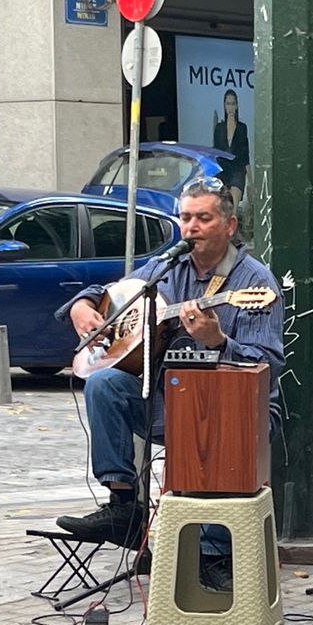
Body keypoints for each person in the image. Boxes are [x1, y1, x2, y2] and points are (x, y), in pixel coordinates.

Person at [55, 177, 284, 591]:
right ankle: (124, 504)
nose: (191, 227)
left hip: (240, 410)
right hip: (172, 400)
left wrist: (218, 341)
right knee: (104, 383)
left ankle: (214, 553)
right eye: (185, 217)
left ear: (229, 226)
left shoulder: (255, 282)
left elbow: (267, 364)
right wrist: (83, 306)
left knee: (207, 413)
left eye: (203, 218)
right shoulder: (171, 264)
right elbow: (119, 292)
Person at [212, 89, 249, 210]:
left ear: (237, 105)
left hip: (237, 171)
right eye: (228, 103)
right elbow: (216, 152)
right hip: (223, 172)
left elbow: (245, 155)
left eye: (233, 104)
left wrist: (251, 182)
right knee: (223, 211)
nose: (230, 107)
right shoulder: (219, 128)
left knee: (233, 210)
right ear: (224, 105)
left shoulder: (242, 128)